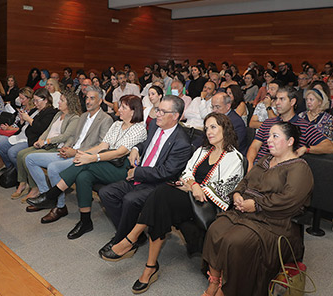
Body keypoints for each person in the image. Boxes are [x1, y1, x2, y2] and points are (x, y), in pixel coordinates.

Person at [100, 113, 244, 294]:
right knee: (160, 203)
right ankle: (149, 265)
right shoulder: (202, 150)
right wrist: (193, 186)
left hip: (208, 206)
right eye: (206, 128)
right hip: (187, 197)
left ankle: (132, 241)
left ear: (226, 128)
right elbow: (186, 173)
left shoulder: (235, 158)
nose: (209, 132)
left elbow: (224, 190)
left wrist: (196, 188)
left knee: (161, 195)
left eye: (214, 127)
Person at [202, 122, 313, 296]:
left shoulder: (299, 168)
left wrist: (256, 205)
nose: (269, 140)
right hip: (244, 211)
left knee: (235, 241)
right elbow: (246, 180)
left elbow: (289, 199)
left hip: (273, 221)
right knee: (215, 229)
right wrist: (238, 194)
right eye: (269, 136)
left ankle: (227, 289)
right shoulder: (265, 160)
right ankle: (214, 282)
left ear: (290, 141)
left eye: (275, 136)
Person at [29, 95, 147, 239]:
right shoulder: (117, 124)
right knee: (83, 175)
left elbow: (119, 153)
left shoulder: (139, 128)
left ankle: (51, 195)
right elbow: (103, 146)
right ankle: (85, 221)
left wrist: (91, 158)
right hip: (106, 163)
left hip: (123, 169)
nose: (119, 109)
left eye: (123, 107)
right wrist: (82, 154)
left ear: (133, 112)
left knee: (86, 165)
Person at [98, 96, 192, 254]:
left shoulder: (182, 143)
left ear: (176, 116)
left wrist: (137, 172)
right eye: (157, 110)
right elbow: (147, 144)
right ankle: (134, 234)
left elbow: (166, 172)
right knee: (106, 193)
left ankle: (121, 240)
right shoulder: (155, 124)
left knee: (130, 200)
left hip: (159, 185)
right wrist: (136, 148)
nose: (158, 114)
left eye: (163, 111)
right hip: (140, 176)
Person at [22, 86, 113, 219]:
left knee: (53, 167)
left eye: (92, 98)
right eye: (87, 98)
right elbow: (74, 137)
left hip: (84, 156)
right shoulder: (83, 116)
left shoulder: (106, 119)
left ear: (100, 101)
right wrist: (67, 147)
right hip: (70, 151)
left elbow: (101, 146)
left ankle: (60, 206)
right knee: (30, 158)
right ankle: (46, 196)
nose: (88, 101)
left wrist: (74, 151)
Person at [12, 90, 82, 207]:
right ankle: (38, 189)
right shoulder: (58, 114)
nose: (58, 102)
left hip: (57, 147)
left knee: (27, 157)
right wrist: (40, 140)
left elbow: (64, 136)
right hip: (48, 144)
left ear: (69, 103)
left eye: (62, 100)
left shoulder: (74, 118)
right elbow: (48, 130)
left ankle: (42, 192)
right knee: (22, 154)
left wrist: (46, 141)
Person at [246, 86, 333, 168]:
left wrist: (307, 149)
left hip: (283, 171)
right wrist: (249, 165)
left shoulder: (304, 126)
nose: (277, 103)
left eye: (282, 99)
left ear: (292, 102)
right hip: (259, 166)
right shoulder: (268, 123)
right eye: (276, 99)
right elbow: (254, 146)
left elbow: (330, 147)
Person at [0, 87, 34, 171]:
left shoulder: (32, 111)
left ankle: (7, 165)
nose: (20, 101)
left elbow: (21, 129)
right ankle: (2, 162)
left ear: (29, 98)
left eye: (22, 98)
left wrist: (9, 128)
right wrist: (8, 127)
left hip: (16, 133)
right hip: (12, 129)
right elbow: (17, 123)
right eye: (20, 98)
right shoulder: (22, 108)